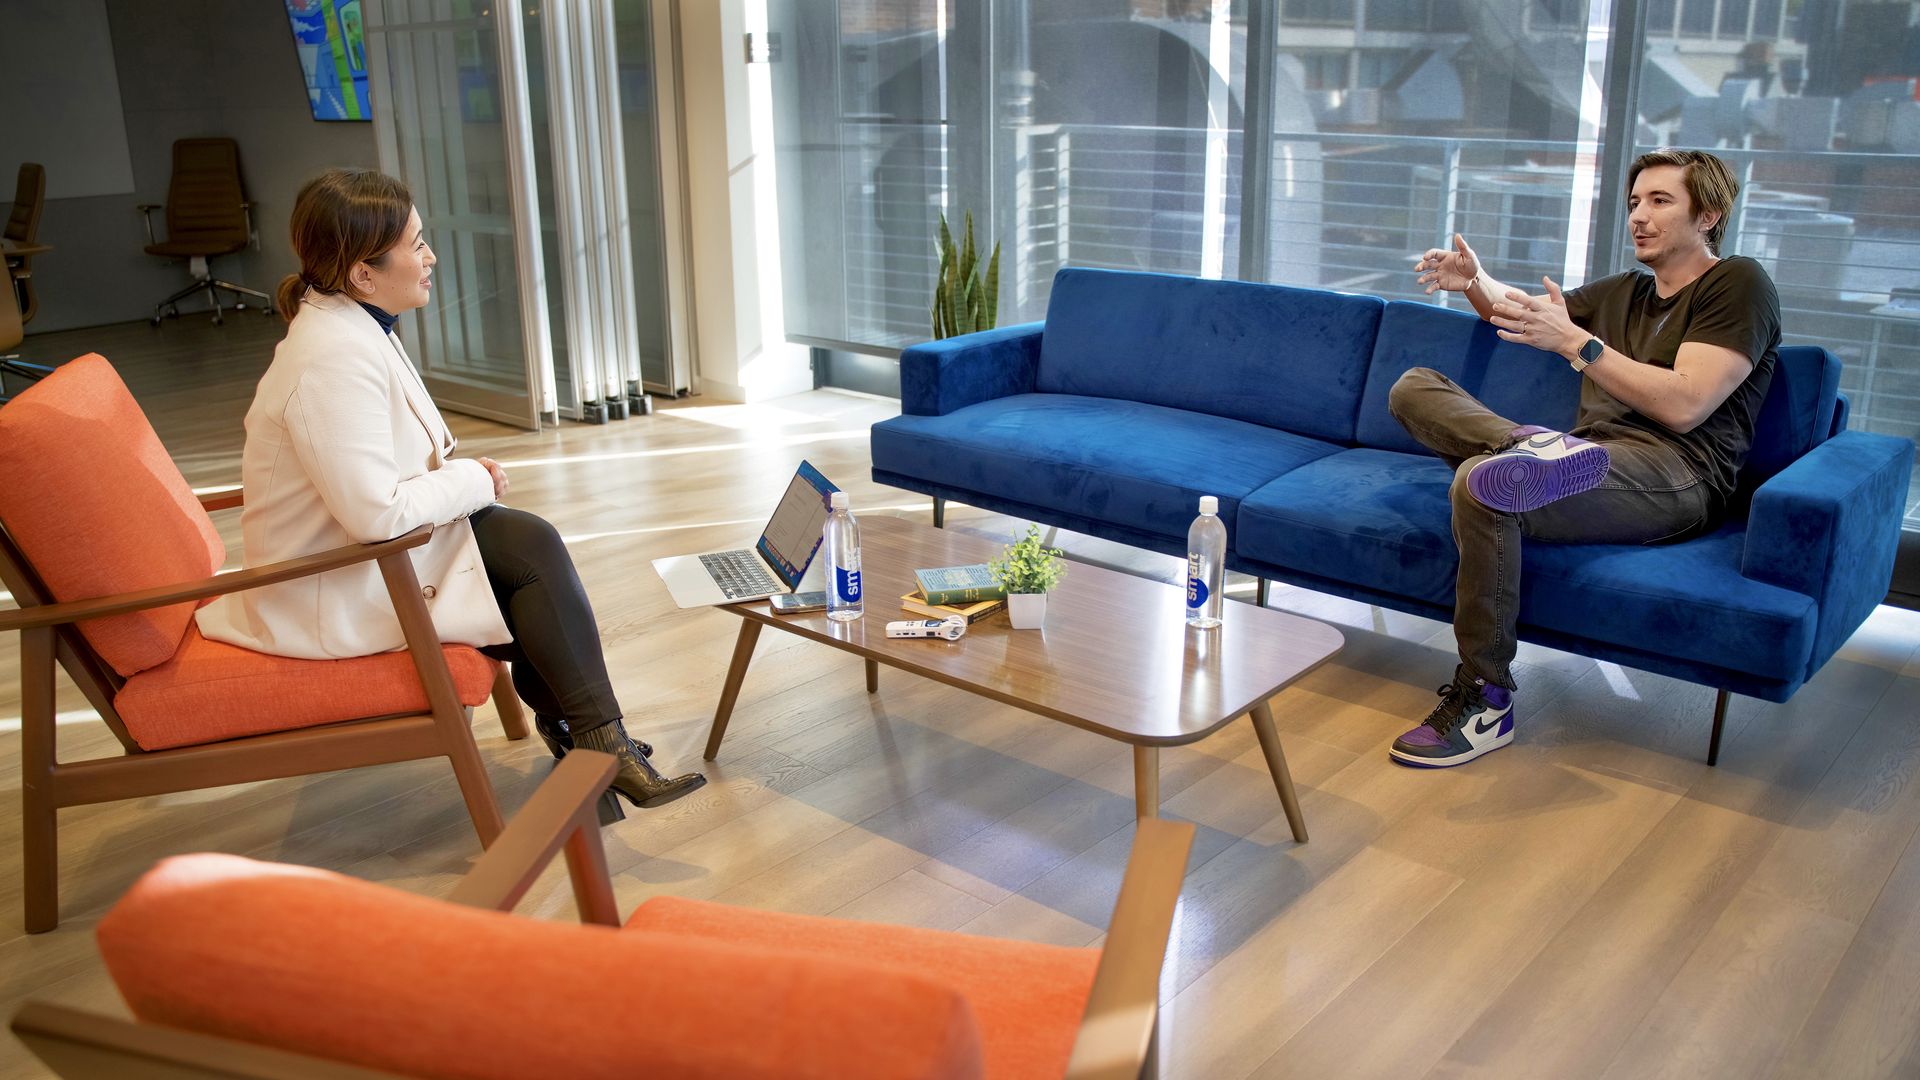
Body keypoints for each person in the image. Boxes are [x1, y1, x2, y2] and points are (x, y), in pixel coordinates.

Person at [195, 168, 705, 815]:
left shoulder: (353, 326)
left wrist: (466, 483)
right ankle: (592, 740)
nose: (430, 257)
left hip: (367, 556)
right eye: (416, 244)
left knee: (528, 545)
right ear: (363, 273)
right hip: (333, 585)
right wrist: (470, 480)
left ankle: (594, 739)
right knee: (529, 564)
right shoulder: (330, 357)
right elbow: (376, 514)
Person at [1386, 147, 1781, 768]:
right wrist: (1475, 283)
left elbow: (1686, 405)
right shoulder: (1626, 290)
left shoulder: (1738, 284)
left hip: (1675, 474)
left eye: (1659, 201)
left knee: (1482, 483)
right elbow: (1526, 314)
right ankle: (1528, 447)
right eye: (1633, 203)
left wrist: (1580, 346)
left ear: (1707, 215)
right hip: (1586, 457)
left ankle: (1486, 698)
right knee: (1413, 386)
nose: (1639, 217)